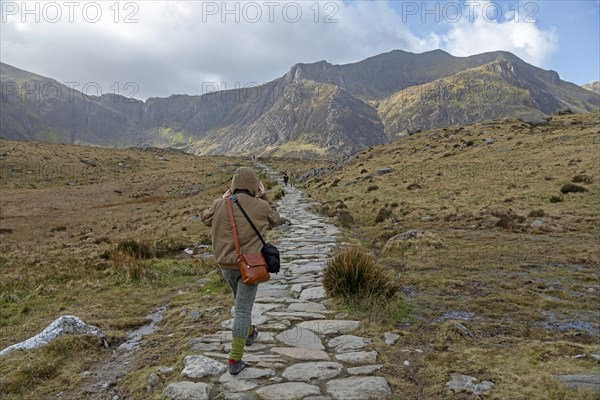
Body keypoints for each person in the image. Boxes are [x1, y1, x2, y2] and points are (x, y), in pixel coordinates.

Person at [201, 167, 280, 375]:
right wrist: (265, 195)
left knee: (240, 304)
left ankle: (250, 332)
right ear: (255, 186)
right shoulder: (261, 206)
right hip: (250, 266)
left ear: (233, 185)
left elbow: (205, 218)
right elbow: (276, 219)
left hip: (225, 265)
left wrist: (221, 198)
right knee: (243, 310)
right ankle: (235, 359)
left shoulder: (220, 204)